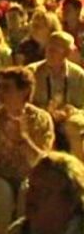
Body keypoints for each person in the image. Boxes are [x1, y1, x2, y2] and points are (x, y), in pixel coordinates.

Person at [0, 67, 54, 234]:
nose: (1, 93)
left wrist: (23, 140)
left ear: (24, 92)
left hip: (29, 176)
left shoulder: (41, 120)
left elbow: (44, 162)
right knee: (0, 193)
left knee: (27, 191)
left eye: (7, 88)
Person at [29, 31, 84, 161]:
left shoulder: (79, 76)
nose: (49, 52)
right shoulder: (32, 72)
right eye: (49, 47)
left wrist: (72, 111)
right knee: (39, 123)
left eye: (55, 49)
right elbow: (24, 104)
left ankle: (79, 172)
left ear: (66, 53)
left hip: (69, 118)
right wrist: (45, 111)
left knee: (75, 125)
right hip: (41, 115)